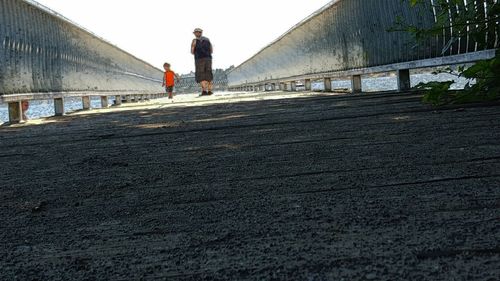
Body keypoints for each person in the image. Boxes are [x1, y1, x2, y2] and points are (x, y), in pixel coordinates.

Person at [191, 28, 214, 96]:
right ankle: (209, 91)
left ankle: (204, 91)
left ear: (195, 33)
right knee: (208, 74)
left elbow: (192, 51)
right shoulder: (207, 39)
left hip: (199, 59)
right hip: (208, 58)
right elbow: (211, 50)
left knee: (200, 75)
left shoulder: (194, 40)